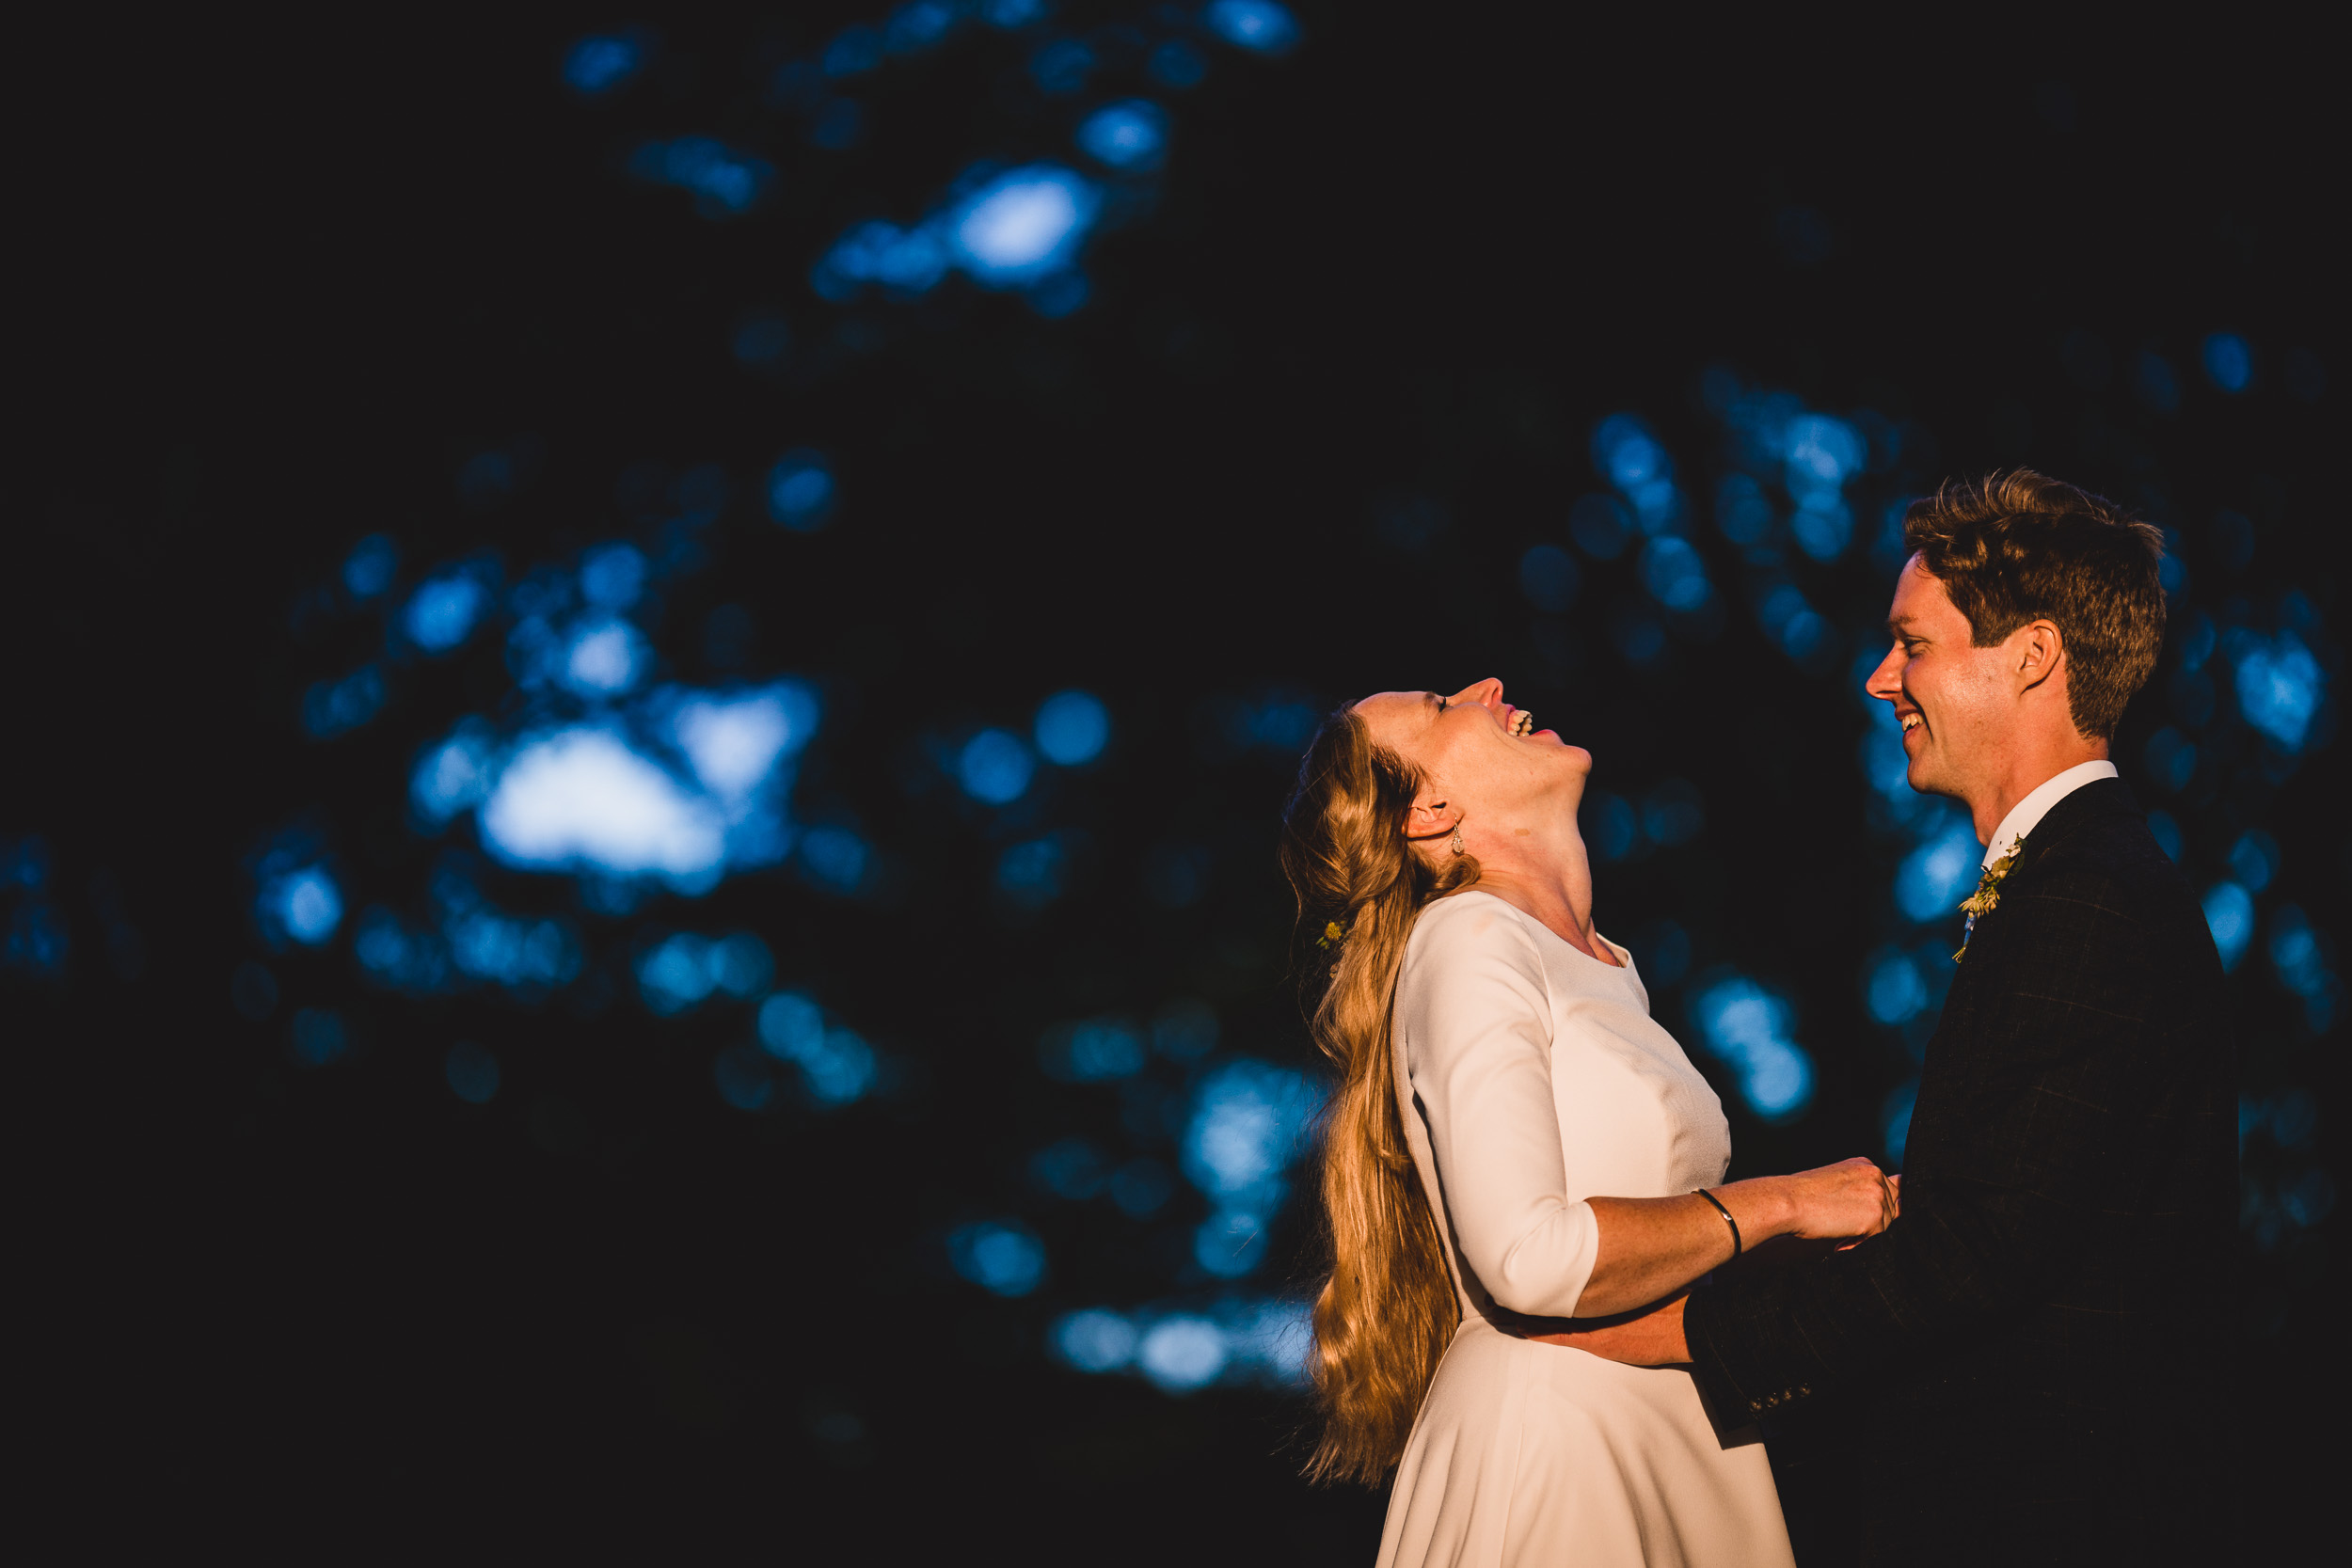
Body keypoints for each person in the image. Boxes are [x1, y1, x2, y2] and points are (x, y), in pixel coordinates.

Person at [1549, 471, 2237, 1563]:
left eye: (1911, 643)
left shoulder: (2089, 896)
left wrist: (1665, 1329)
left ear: (2031, 655)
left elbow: (1978, 1250)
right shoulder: (2077, 881)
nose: (1880, 680)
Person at [1279, 679, 1900, 1567]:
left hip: (1677, 1435)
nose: (1487, 686)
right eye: (1442, 705)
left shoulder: (1605, 965)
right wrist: (1788, 1203)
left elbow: (1654, 1248)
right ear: (1429, 809)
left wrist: (1866, 1226)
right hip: (1560, 1452)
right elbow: (1530, 1255)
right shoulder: (1469, 938)